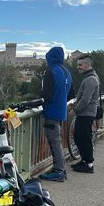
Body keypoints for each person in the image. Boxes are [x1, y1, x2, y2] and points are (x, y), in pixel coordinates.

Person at [40, 47, 73, 182]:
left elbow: (45, 94)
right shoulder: (66, 72)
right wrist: (60, 101)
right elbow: (72, 94)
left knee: (54, 141)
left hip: (51, 111)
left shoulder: (51, 71)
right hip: (61, 111)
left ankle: (59, 171)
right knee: (57, 140)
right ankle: (59, 169)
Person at [70, 54, 100, 173]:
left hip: (86, 114)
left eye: (80, 65)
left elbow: (86, 100)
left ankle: (88, 164)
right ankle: (84, 160)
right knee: (79, 137)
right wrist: (76, 104)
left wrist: (75, 110)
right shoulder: (89, 78)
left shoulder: (91, 79)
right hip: (85, 113)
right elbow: (82, 97)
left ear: (88, 65)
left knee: (84, 139)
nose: (78, 67)